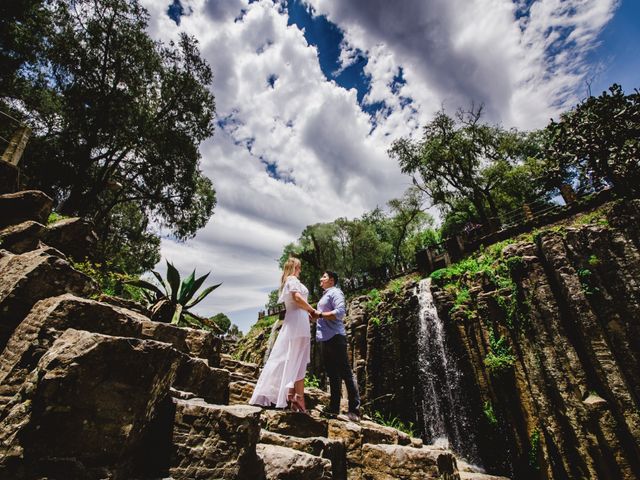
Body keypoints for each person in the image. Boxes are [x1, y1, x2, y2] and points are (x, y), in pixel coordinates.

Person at [250, 257, 318, 413]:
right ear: (294, 267)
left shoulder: (288, 280)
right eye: (299, 267)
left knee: (294, 358)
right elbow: (297, 297)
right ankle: (297, 397)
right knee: (298, 359)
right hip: (297, 324)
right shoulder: (292, 279)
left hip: (296, 321)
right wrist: (311, 310)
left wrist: (304, 312)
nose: (300, 270)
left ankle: (293, 395)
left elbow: (295, 302)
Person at [314, 271, 361, 422]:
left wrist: (320, 315)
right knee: (333, 375)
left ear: (332, 280)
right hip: (325, 338)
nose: (321, 279)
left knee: (345, 372)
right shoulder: (325, 295)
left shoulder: (336, 292)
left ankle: (354, 410)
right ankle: (334, 408)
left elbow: (340, 313)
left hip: (336, 336)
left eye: (324, 277)